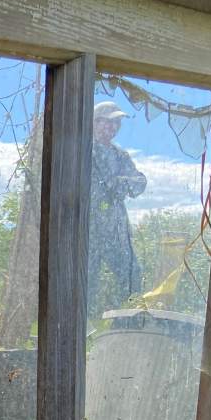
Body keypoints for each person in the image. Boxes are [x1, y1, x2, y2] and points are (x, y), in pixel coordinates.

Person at [89, 100, 147, 320]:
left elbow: (139, 183)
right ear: (95, 122)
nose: (112, 128)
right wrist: (116, 184)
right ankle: (86, 326)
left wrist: (118, 183)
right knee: (87, 281)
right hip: (88, 229)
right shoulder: (82, 150)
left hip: (115, 229)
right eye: (108, 122)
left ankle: (129, 321)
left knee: (132, 275)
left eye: (117, 124)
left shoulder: (120, 156)